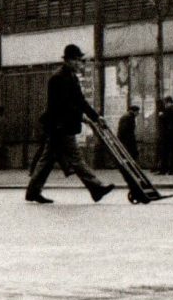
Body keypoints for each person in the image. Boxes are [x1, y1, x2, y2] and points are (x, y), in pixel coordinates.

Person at [26, 44, 112, 204]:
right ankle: (96, 187)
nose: (81, 64)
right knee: (76, 158)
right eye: (79, 60)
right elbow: (62, 105)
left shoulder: (70, 76)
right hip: (60, 126)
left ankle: (32, 191)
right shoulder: (58, 78)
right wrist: (85, 117)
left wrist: (94, 117)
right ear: (70, 61)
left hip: (61, 125)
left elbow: (79, 101)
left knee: (47, 160)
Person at [154, 95, 173, 176]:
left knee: (165, 152)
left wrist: (161, 115)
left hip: (166, 135)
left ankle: (164, 169)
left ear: (168, 102)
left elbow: (164, 120)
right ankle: (172, 170)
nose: (165, 104)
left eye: (165, 103)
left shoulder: (168, 110)